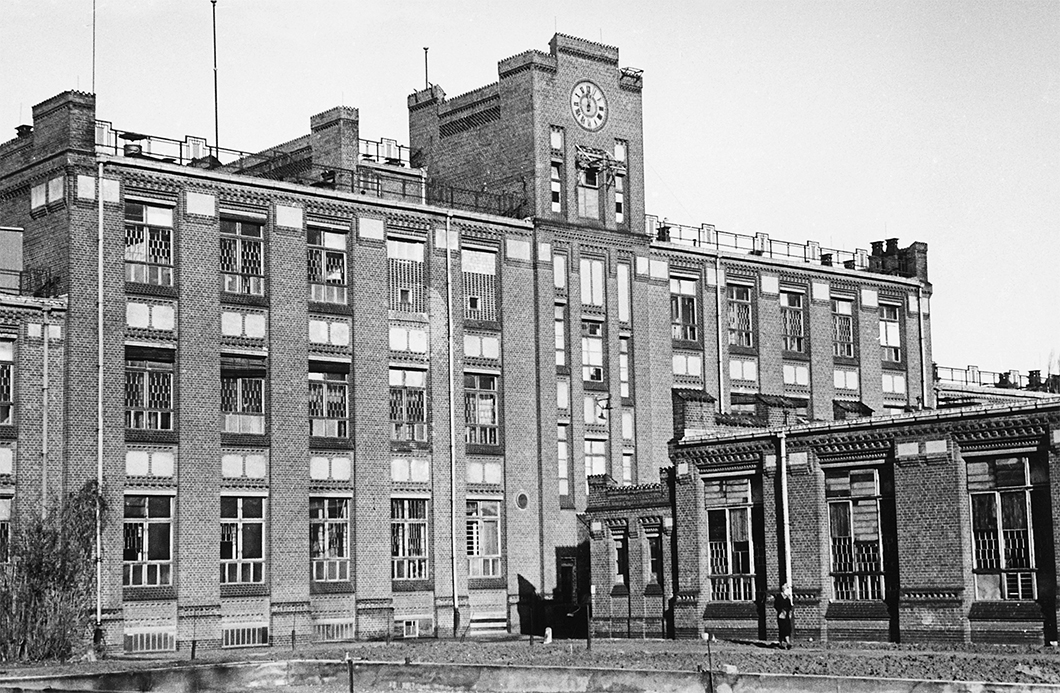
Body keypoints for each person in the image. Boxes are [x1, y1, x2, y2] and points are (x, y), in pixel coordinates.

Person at [773, 582, 793, 649]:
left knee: (787, 628)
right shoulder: (779, 597)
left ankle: (788, 642)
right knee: (782, 628)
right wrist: (781, 611)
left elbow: (790, 606)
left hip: (786, 615)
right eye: (787, 588)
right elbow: (776, 605)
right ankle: (781, 642)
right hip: (781, 615)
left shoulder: (787, 598)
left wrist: (789, 612)